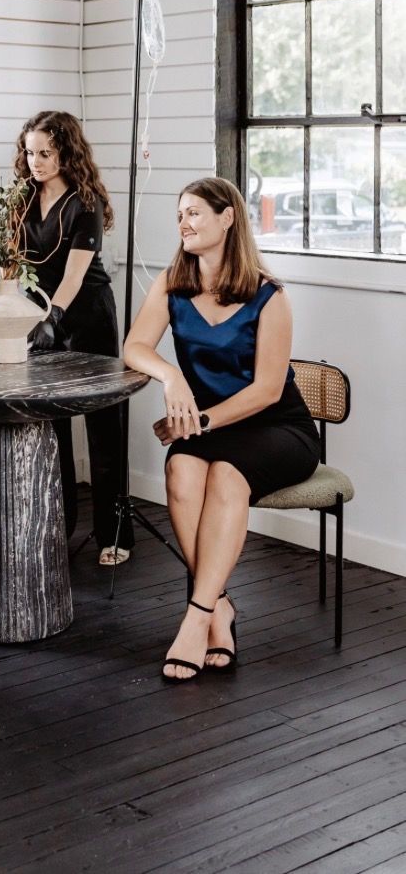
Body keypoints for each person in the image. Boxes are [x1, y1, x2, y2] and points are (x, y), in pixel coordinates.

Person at [123, 176, 320, 682]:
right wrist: (170, 378)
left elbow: (268, 391)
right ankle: (220, 606)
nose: (183, 224)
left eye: (193, 213)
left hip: (278, 427)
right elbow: (135, 347)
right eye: (179, 216)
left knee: (228, 476)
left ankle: (195, 618)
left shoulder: (268, 294)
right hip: (212, 425)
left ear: (227, 217)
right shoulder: (173, 282)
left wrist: (199, 420)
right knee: (182, 472)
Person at [14, 111, 126, 567]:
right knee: (51, 427)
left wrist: (52, 318)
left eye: (45, 152)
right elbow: (11, 262)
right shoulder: (20, 197)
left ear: (66, 152)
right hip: (40, 316)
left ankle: (115, 534)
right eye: (29, 152)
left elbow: (76, 274)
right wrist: (9, 315)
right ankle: (58, 527)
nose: (35, 161)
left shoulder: (86, 202)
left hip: (87, 316)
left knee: (103, 427)